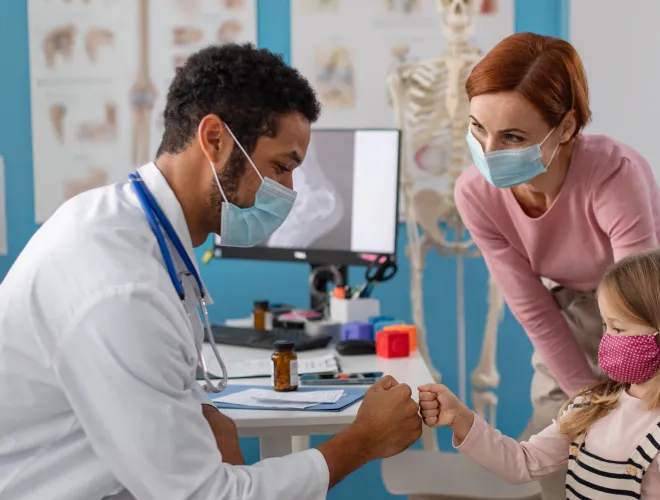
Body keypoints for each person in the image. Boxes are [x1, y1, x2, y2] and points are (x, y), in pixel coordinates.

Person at [0, 43, 422, 499]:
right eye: (280, 167)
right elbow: (208, 496)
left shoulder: (128, 227)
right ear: (215, 140)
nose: (289, 191)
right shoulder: (121, 287)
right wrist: (362, 441)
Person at [454, 32, 660, 498]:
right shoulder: (474, 194)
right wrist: (586, 403)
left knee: (649, 429)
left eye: (513, 136)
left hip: (652, 293)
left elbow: (636, 311)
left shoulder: (614, 175)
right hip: (575, 292)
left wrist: (622, 411)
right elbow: (532, 308)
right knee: (558, 415)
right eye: (478, 127)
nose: (490, 151)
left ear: (567, 127)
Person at [418, 243, 660, 499]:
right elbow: (522, 462)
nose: (606, 340)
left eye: (618, 328)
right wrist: (460, 418)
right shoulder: (591, 408)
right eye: (605, 326)